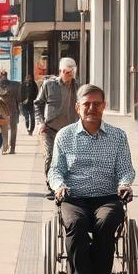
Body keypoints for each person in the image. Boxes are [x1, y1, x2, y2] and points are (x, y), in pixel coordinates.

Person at [47, 84, 136, 274]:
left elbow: (125, 168)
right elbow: (55, 169)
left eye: (97, 104)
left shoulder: (117, 136)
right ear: (78, 108)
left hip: (106, 196)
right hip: (74, 196)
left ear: (104, 106)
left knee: (105, 223)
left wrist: (125, 183)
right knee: (76, 222)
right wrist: (59, 185)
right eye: (87, 104)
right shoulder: (65, 136)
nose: (92, 108)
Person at [35, 58, 80, 200]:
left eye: (72, 72)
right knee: (50, 156)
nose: (70, 75)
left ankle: (65, 184)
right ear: (61, 71)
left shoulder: (77, 86)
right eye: (67, 72)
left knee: (68, 159)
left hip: (69, 130)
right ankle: (52, 187)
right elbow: (38, 104)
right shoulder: (49, 85)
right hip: (49, 128)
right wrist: (40, 122)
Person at [0, 71, 22, 154]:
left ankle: (5, 147)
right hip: (12, 109)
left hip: (3, 110)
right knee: (12, 129)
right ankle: (11, 148)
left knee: (3, 129)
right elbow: (19, 99)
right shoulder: (16, 85)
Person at [21, 65, 43, 135]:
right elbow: (20, 93)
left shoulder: (33, 84)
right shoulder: (23, 85)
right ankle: (27, 128)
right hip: (24, 104)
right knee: (26, 117)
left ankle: (31, 130)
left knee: (32, 117)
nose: (28, 78)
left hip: (31, 103)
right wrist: (22, 101)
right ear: (25, 78)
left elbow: (36, 92)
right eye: (27, 77)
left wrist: (33, 100)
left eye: (29, 77)